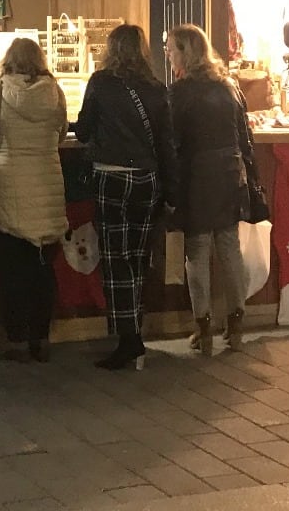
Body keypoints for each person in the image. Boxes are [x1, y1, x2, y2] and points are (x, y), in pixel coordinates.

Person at [74, 23, 175, 371]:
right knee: (137, 258)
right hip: (147, 180)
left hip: (112, 178)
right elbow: (166, 145)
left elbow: (83, 129)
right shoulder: (157, 89)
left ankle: (128, 339)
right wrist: (171, 191)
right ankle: (135, 333)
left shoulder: (100, 84)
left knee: (116, 261)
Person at [0, 38, 67, 363]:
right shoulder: (55, 92)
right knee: (42, 267)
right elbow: (62, 132)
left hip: (9, 185)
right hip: (47, 183)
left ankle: (16, 338)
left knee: (13, 268)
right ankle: (41, 337)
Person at [167, 23, 258, 357]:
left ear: (186, 52)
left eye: (172, 48)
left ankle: (203, 327)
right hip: (230, 174)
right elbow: (243, 134)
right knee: (229, 247)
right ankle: (236, 324)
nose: (168, 54)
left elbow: (171, 140)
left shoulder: (180, 92)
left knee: (198, 250)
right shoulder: (228, 86)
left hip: (197, 176)